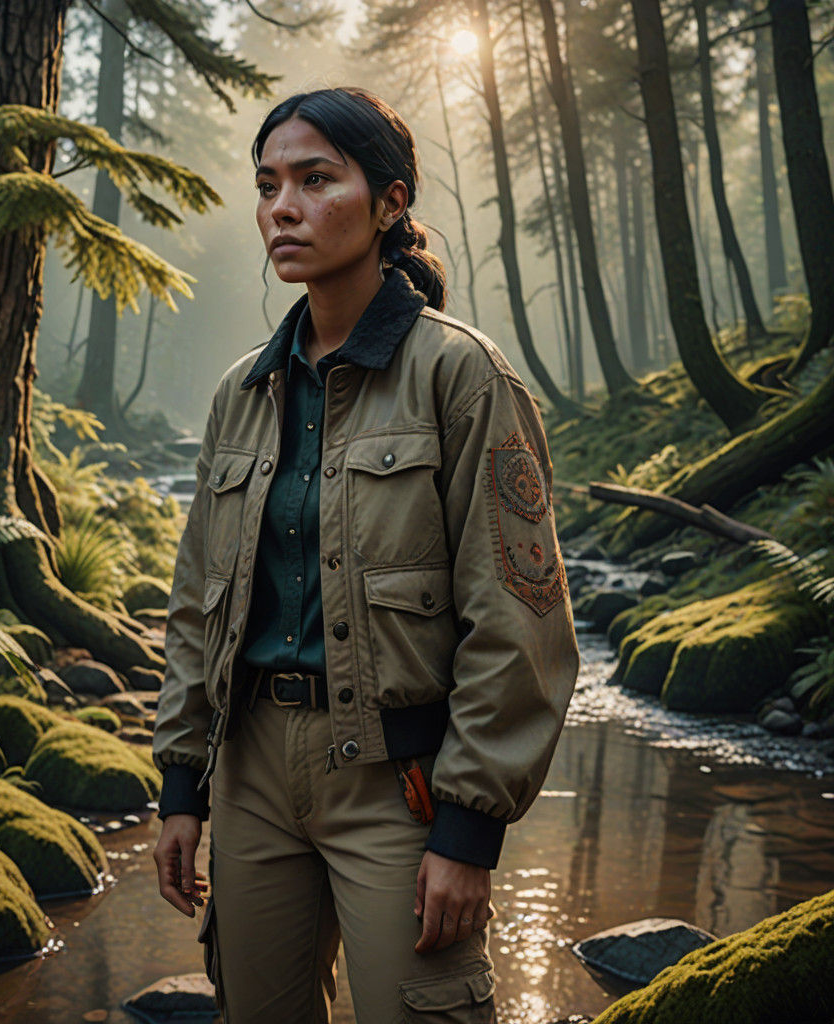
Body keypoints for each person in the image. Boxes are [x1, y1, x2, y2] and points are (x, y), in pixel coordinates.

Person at [152, 87, 579, 1023]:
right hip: (252, 774)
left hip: (401, 784)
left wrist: (468, 831)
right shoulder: (242, 391)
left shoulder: (461, 374)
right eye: (268, 185)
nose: (283, 208)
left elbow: (522, 620)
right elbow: (199, 604)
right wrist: (182, 784)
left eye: (316, 179)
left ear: (391, 203)